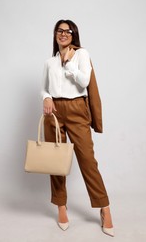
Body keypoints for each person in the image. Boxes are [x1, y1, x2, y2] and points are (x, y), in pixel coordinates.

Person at [41, 19, 114, 237]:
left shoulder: (82, 54)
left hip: (76, 109)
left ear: (74, 34)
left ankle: (104, 208)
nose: (63, 34)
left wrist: (69, 62)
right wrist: (46, 97)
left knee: (87, 161)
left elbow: (84, 81)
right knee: (56, 162)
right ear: (55, 34)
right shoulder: (48, 62)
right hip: (53, 111)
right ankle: (61, 207)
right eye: (59, 30)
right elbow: (44, 88)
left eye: (68, 31)